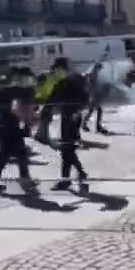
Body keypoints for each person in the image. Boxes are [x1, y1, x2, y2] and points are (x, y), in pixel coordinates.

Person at [46, 58, 89, 191]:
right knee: (67, 149)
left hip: (72, 117)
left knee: (67, 149)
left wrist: (77, 112)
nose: (56, 72)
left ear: (63, 68)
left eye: (57, 69)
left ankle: (68, 179)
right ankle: (78, 174)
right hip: (67, 116)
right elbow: (52, 98)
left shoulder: (75, 79)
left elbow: (85, 99)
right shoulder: (63, 81)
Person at [0, 98, 38, 195]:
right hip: (11, 135)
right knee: (13, 158)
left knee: (11, 158)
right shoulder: (13, 107)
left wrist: (26, 125)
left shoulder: (10, 108)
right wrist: (27, 126)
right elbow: (19, 127)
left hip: (9, 134)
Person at [82, 62, 109, 135]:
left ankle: (84, 124)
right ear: (97, 68)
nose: (100, 70)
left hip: (92, 95)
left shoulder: (92, 74)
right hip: (93, 96)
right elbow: (90, 86)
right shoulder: (92, 74)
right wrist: (93, 95)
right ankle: (97, 126)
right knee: (99, 110)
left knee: (91, 111)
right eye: (100, 68)